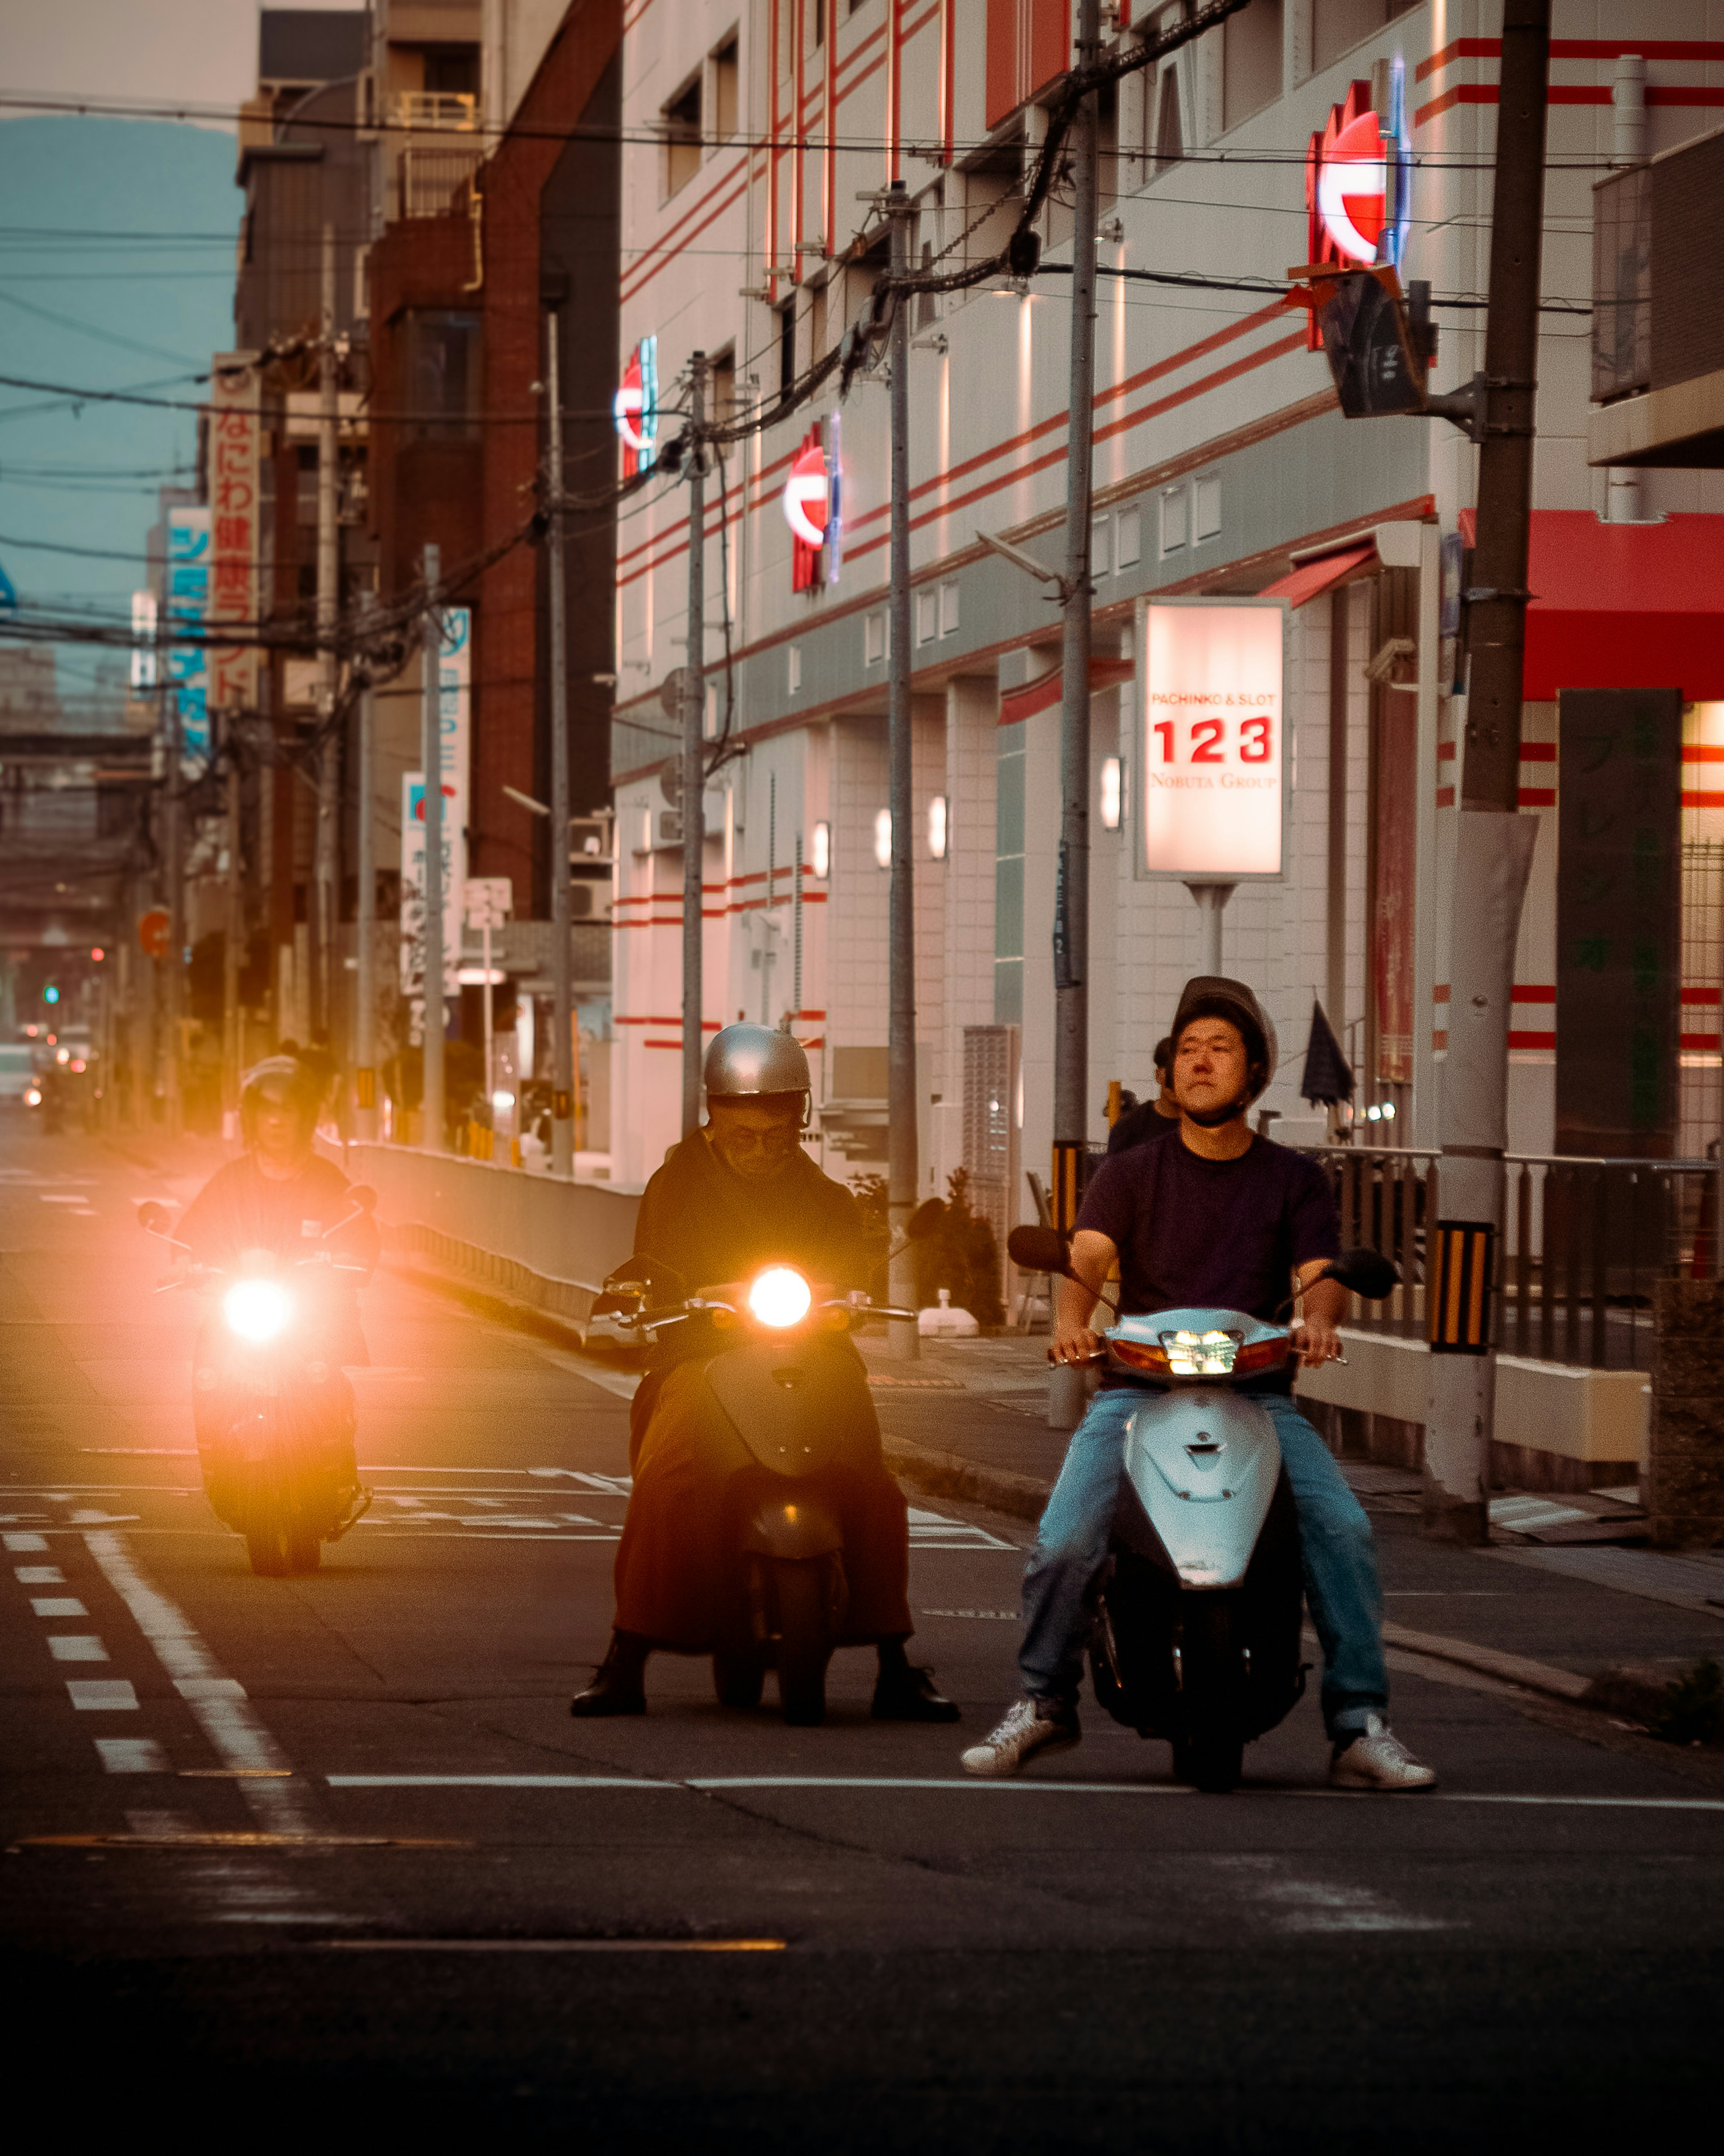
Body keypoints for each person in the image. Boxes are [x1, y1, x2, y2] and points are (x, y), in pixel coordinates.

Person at [962, 977, 1435, 1791]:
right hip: (1136, 1393)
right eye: (1187, 1049)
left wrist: (1320, 1317)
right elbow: (1087, 1258)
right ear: (1169, 1073)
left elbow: (1320, 1273)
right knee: (1067, 1539)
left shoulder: (1295, 1178)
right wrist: (1068, 1323)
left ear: (1253, 1072)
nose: (1201, 1061)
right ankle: (1043, 1699)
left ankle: (1359, 1722)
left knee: (1345, 1531)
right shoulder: (1130, 1170)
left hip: (1258, 1395)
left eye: (1220, 1048)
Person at [572, 1023, 958, 1723]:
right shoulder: (672, 1187)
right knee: (667, 1476)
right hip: (702, 1354)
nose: (761, 1148)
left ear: (800, 1120)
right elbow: (655, 1269)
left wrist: (857, 1295)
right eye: (744, 1134)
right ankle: (626, 1656)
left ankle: (896, 1662)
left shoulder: (829, 1199)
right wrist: (664, 1298)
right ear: (713, 1119)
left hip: (812, 1351)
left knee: (873, 1481)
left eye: (777, 1134)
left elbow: (848, 1272)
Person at [175, 1055, 380, 1527]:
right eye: (266, 1110)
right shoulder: (231, 1180)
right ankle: (217, 1459)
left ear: (305, 1117)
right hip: (243, 1309)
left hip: (312, 1313)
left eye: (287, 1110)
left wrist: (352, 1262)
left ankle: (333, 1462)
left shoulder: (329, 1180)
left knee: (323, 1376)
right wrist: (187, 1260)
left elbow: (360, 1235)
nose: (276, 1120)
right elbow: (194, 1233)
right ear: (251, 1118)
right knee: (210, 1369)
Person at [1105, 1037, 1180, 1156]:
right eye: (1172, 1074)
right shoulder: (1130, 1127)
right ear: (1158, 1075)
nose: (1177, 1083)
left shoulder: (1209, 1128)